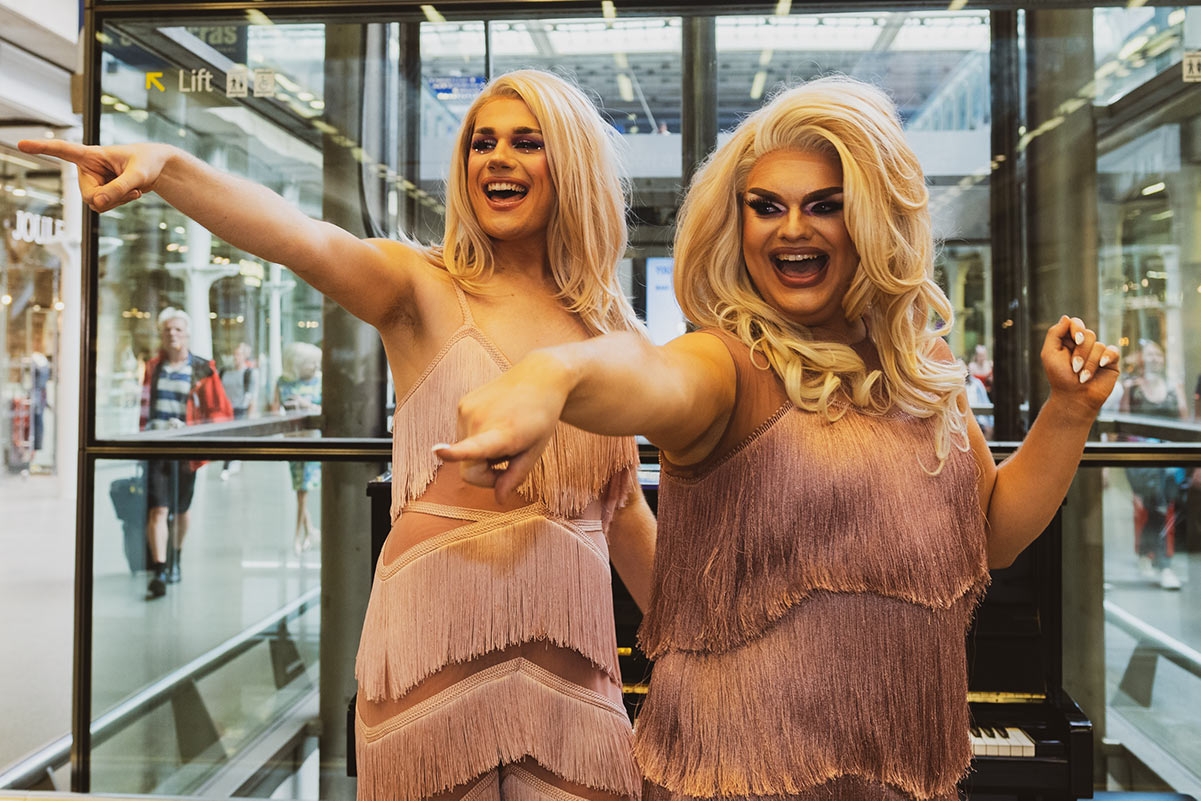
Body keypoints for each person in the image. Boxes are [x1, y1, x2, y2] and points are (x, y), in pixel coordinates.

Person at [437, 77, 1121, 801]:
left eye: (824, 205)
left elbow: (993, 536)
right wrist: (555, 373)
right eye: (765, 207)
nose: (791, 228)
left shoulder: (924, 369)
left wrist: (1069, 411)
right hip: (734, 776)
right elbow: (649, 379)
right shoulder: (728, 363)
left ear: (870, 218)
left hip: (894, 776)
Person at [22, 68, 655, 801]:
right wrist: (171, 168)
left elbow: (625, 510)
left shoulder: (612, 330)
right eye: (482, 143)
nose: (496, 159)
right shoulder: (422, 287)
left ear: (570, 163)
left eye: (526, 142)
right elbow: (304, 240)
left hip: (573, 671)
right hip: (430, 657)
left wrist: (696, 651)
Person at [139, 307, 233, 599]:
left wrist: (203, 438)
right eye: (168, 330)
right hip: (157, 446)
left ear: (188, 334)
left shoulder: (203, 368)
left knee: (180, 510)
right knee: (158, 508)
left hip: (186, 449)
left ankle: (175, 556)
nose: (173, 335)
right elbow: (145, 405)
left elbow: (220, 410)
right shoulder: (154, 366)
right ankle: (160, 568)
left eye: (178, 329)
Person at [1120, 338, 1186, 590]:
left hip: (1168, 460)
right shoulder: (1133, 388)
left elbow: (1183, 421)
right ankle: (1164, 565)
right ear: (1141, 360)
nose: (1154, 359)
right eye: (1149, 355)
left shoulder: (1173, 386)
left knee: (1159, 504)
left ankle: (1146, 551)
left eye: (1158, 355)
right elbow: (1122, 426)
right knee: (1158, 502)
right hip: (1141, 460)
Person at [274, 342, 322, 554]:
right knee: (299, 488)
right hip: (292, 439)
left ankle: (298, 535)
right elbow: (275, 408)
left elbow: (326, 410)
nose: (315, 367)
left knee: (302, 489)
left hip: (312, 439)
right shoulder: (283, 382)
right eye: (311, 363)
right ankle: (309, 530)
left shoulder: (319, 382)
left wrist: (306, 405)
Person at [219, 341, 258, 480]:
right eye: (234, 354)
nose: (235, 357)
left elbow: (251, 395)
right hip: (224, 411)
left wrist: (251, 415)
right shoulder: (224, 371)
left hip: (239, 410)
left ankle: (227, 466)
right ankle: (232, 462)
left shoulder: (249, 373)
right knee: (226, 440)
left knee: (232, 439)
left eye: (238, 354)